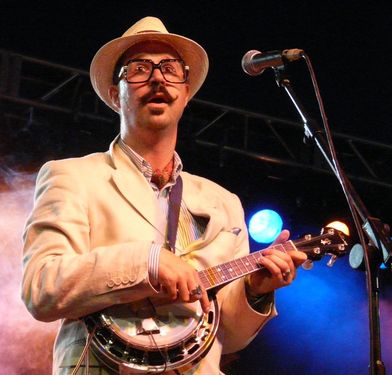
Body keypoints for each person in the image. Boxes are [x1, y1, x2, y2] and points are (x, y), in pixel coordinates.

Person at [21, 16, 307, 375]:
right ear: (114, 94)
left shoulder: (224, 201)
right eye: (139, 69)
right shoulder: (72, 176)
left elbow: (227, 335)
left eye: (170, 68)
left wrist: (255, 290)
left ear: (185, 93)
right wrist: (147, 262)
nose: (157, 78)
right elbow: (42, 288)